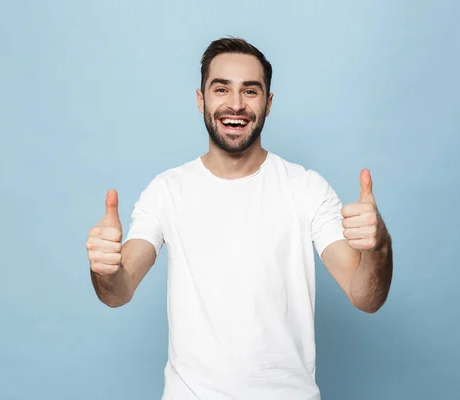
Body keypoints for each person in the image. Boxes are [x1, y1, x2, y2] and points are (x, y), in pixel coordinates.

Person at [85, 37, 393, 400]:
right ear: (201, 99)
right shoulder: (167, 190)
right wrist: (105, 270)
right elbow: (119, 291)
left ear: (269, 103)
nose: (235, 104)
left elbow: (365, 297)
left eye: (250, 91)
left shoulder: (306, 188)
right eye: (221, 89)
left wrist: (379, 246)